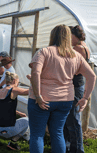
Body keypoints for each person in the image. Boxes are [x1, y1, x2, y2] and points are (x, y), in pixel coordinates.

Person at [28, 25, 96, 153]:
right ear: (69, 37)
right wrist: (85, 98)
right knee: (58, 133)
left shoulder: (44, 51)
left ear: (52, 35)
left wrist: (38, 96)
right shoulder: (76, 55)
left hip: (42, 99)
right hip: (65, 100)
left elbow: (36, 73)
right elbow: (92, 76)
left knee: (37, 135)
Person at [63, 25, 91, 153]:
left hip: (75, 85)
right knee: (70, 118)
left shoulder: (78, 48)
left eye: (70, 36)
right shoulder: (84, 46)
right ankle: (69, 147)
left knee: (73, 120)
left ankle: (78, 149)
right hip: (77, 85)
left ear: (75, 36)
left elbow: (71, 69)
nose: (69, 39)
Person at [0, 72, 30, 150]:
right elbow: (29, 91)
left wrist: (18, 113)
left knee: (1, 117)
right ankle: (13, 143)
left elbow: (3, 107)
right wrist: (33, 80)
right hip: (6, 130)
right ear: (14, 81)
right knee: (28, 121)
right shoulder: (13, 89)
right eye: (18, 81)